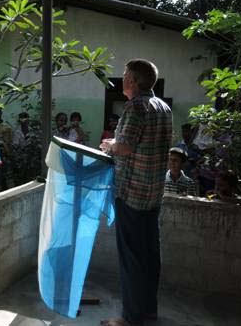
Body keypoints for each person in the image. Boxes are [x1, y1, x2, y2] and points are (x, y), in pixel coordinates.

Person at [100, 59, 172, 326]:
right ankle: (148, 310)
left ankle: (130, 319)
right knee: (149, 256)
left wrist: (110, 145)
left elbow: (126, 147)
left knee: (131, 258)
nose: (122, 78)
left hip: (132, 194)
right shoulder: (163, 107)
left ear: (133, 80)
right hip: (153, 195)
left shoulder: (135, 106)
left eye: (125, 74)